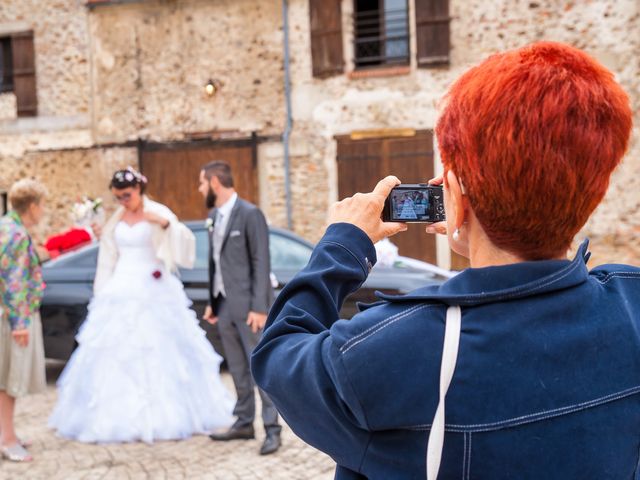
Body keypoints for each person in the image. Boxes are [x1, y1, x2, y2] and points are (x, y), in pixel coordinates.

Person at [251, 42, 640, 479]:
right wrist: (472, 224)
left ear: (453, 197)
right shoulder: (630, 305)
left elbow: (278, 357)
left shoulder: (391, 349)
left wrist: (344, 242)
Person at [49, 166, 233, 443]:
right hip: (120, 288)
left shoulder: (158, 211)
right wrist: (101, 294)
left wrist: (165, 225)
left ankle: (168, 415)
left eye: (126, 195)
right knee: (115, 355)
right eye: (118, 197)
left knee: (159, 351)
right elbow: (108, 258)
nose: (123, 201)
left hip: (154, 288)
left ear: (139, 190)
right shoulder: (116, 220)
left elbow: (184, 245)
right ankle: (113, 417)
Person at [198, 161, 281, 455]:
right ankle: (244, 423)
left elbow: (261, 261)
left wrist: (259, 307)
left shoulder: (249, 213)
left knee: (259, 367)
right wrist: (212, 300)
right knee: (235, 367)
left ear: (215, 183)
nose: (200, 189)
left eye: (202, 183)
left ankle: (272, 428)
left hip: (250, 308)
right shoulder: (213, 216)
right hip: (224, 306)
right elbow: (216, 264)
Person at [0, 179, 48, 462]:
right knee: (8, 380)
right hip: (11, 317)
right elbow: (14, 282)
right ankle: (6, 440)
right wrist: (19, 324)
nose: (43, 211)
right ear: (31, 206)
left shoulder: (5, 226)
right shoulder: (16, 234)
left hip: (6, 313)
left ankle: (9, 433)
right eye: (42, 205)